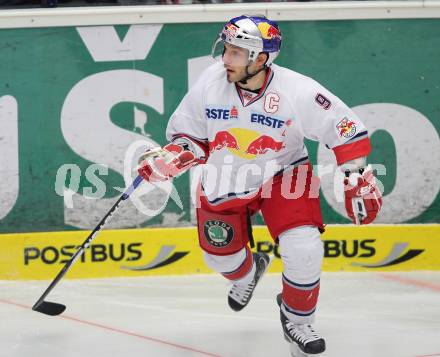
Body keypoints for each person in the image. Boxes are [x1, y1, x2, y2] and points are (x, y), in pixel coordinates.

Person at [137, 14, 382, 357]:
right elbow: (189, 134)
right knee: (220, 259)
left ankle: (298, 319)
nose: (225, 58)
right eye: (226, 49)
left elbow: (344, 128)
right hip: (224, 177)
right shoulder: (211, 81)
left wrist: (354, 174)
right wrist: (173, 156)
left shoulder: (297, 89)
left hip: (283, 175)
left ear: (261, 58)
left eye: (236, 52)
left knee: (304, 247)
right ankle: (248, 273)